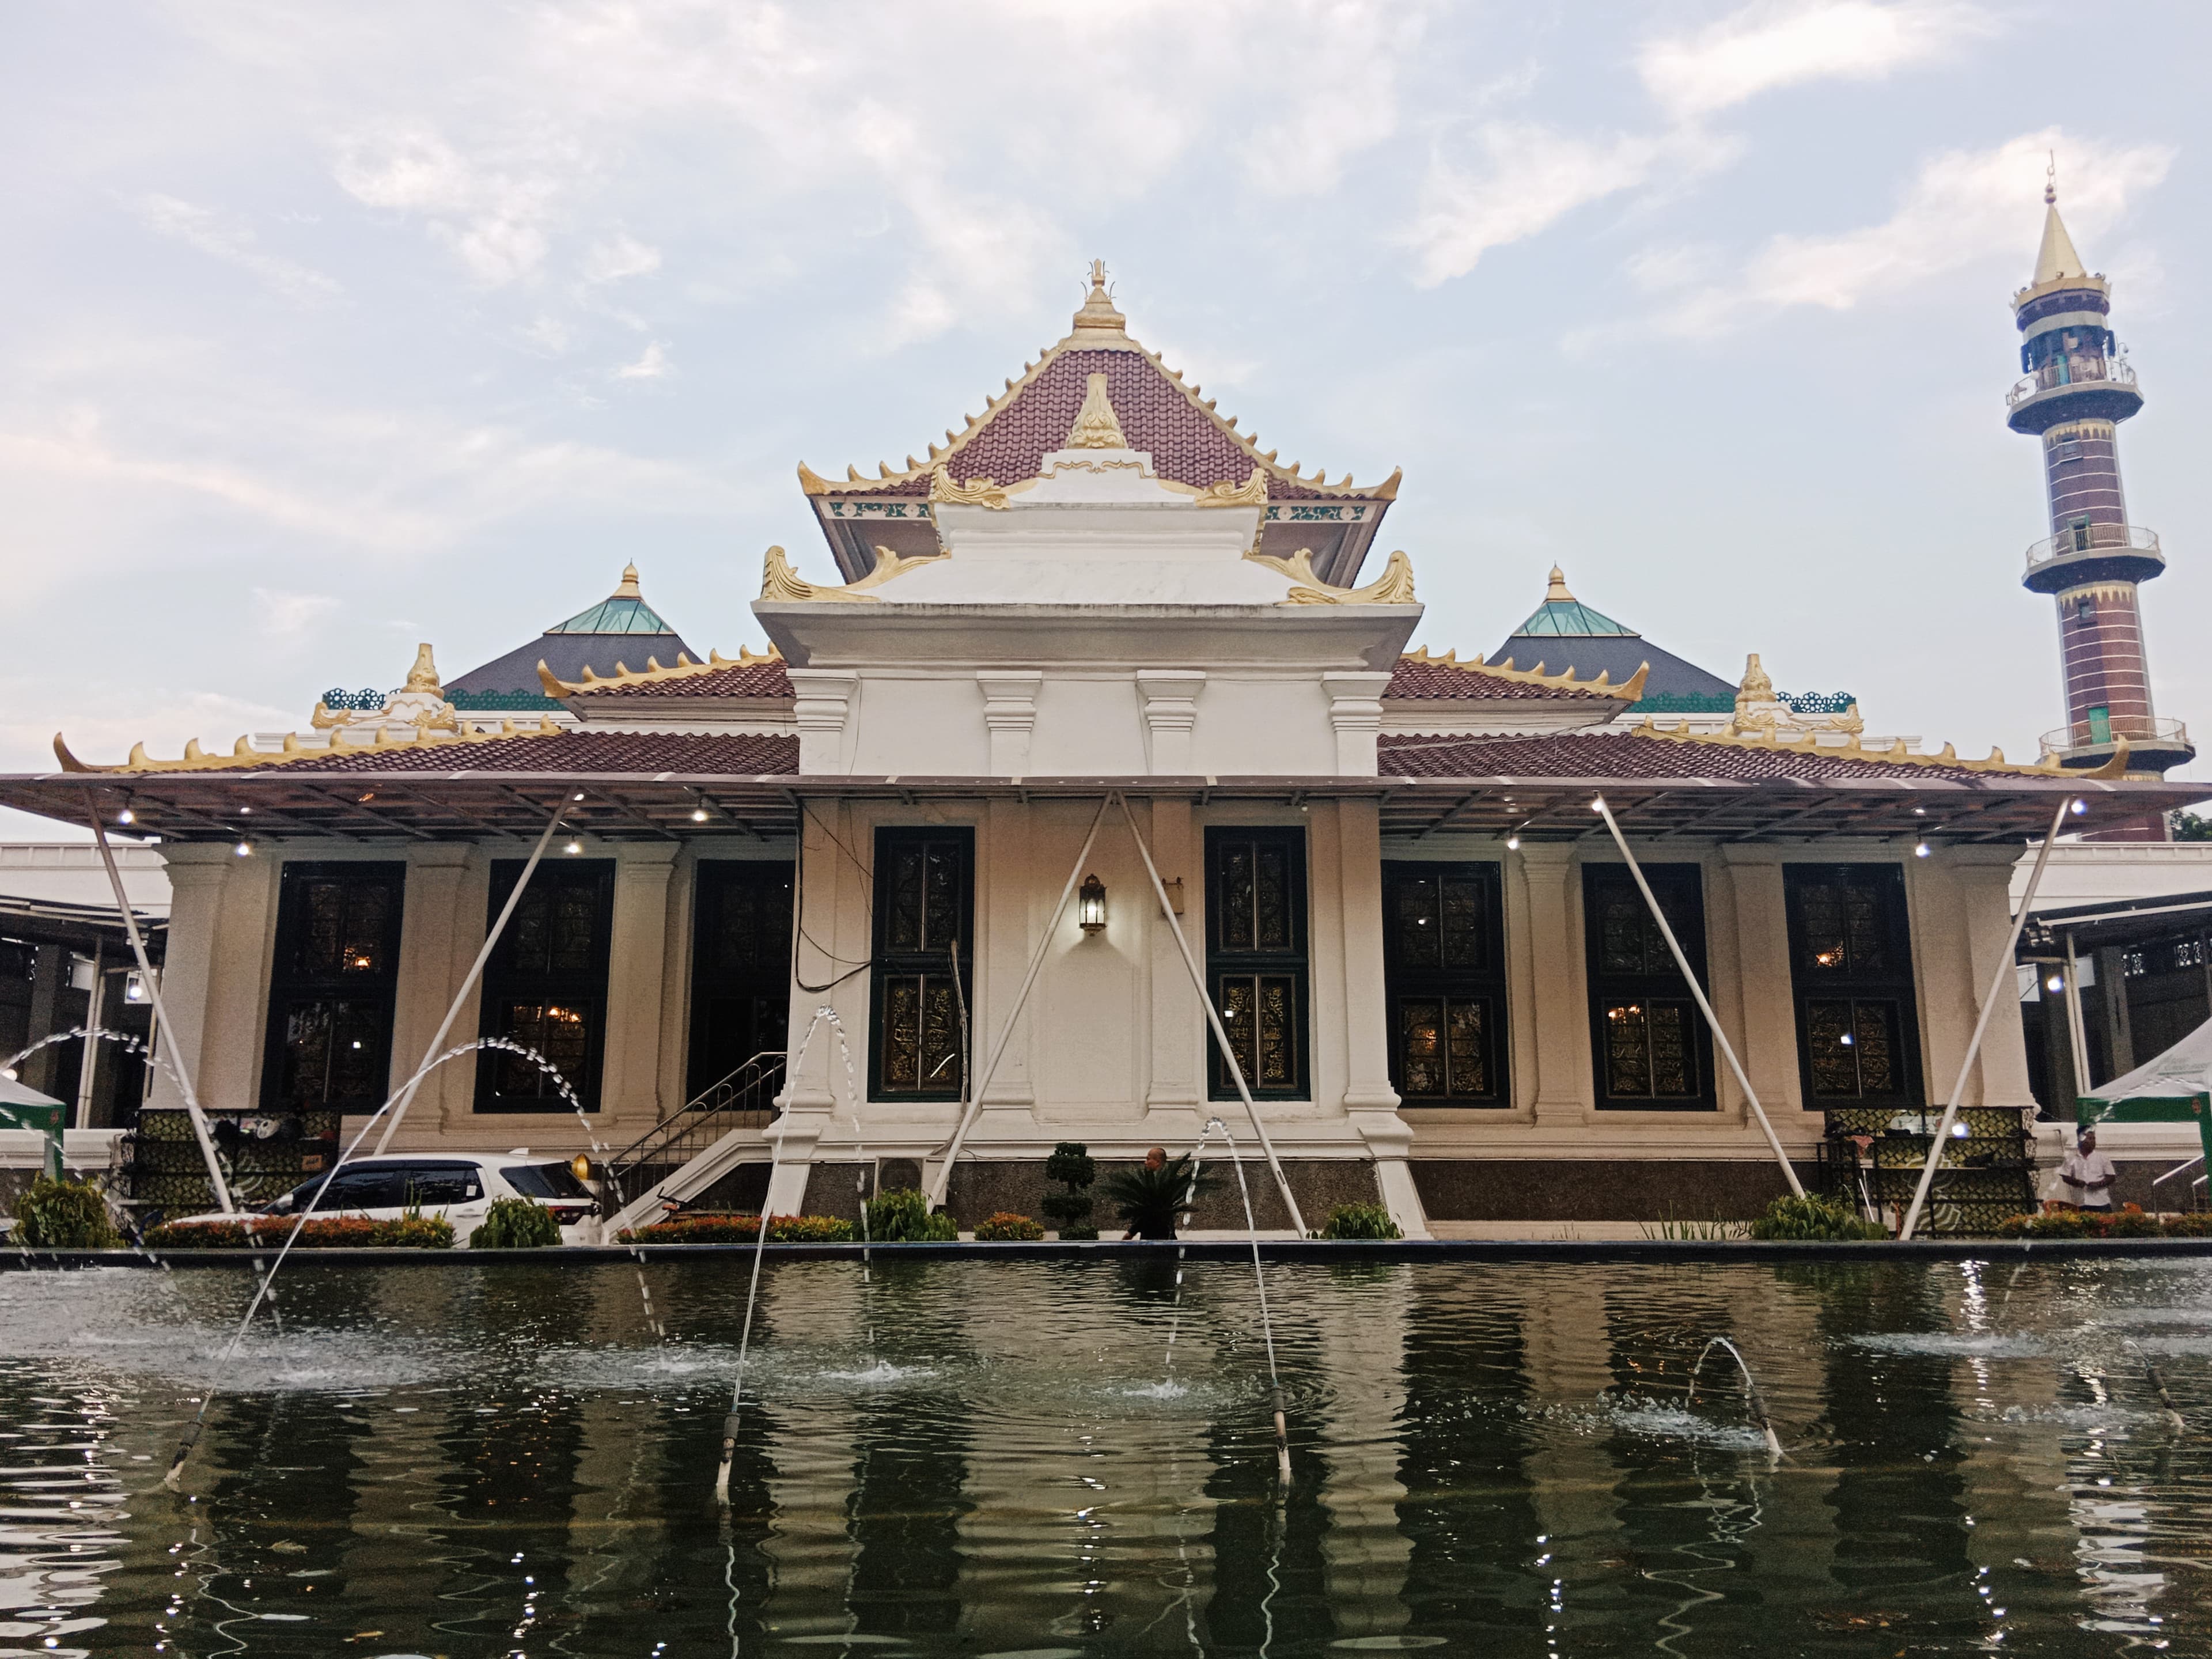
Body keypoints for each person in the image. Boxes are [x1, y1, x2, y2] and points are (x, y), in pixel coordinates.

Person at [2057, 1127, 2118, 1211]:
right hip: (2079, 1202)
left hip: (2101, 1202)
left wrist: (2099, 1184)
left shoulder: (2103, 1158)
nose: (2093, 1142)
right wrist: (2077, 1182)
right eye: (2090, 1139)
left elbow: (2111, 1177)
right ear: (2081, 1140)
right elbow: (2065, 1177)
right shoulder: (2071, 1158)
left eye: (2094, 1138)